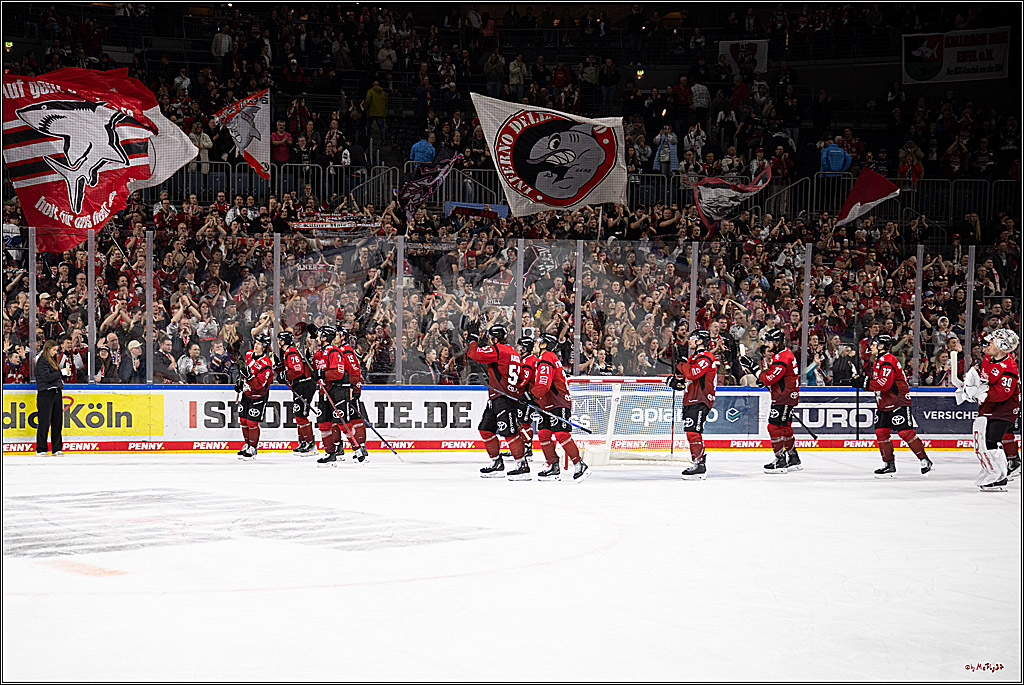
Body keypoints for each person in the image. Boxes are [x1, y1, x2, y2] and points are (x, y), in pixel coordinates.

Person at [852, 334, 933, 477]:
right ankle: (889, 464)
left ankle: (924, 460)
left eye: (874, 344)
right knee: (881, 432)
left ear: (882, 346)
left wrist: (864, 383)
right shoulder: (879, 360)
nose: (871, 346)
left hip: (898, 401)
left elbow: (884, 384)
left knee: (905, 432)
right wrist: (863, 381)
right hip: (884, 402)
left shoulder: (888, 360)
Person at [956, 329, 1020, 491]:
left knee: (991, 440)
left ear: (1001, 345)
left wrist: (980, 393)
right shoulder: (987, 359)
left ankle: (998, 476)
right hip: (988, 408)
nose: (984, 348)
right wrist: (970, 386)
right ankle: (996, 474)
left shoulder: (1009, 367)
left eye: (989, 344)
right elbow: (983, 379)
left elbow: (1003, 393)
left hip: (1004, 410)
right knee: (984, 443)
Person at [468, 323, 528, 478]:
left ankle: (522, 466)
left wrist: (473, 338)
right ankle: (496, 463)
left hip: (504, 398)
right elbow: (520, 376)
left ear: (495, 338)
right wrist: (519, 393)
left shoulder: (498, 350)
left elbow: (474, 354)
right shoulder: (513, 351)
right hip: (498, 397)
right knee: (485, 429)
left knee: (510, 432)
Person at [744, 327, 801, 473]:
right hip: (787, 395)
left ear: (778, 342)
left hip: (783, 397)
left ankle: (780, 460)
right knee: (785, 427)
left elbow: (769, 378)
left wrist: (753, 368)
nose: (767, 344)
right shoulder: (784, 354)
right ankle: (793, 458)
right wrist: (765, 378)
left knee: (774, 427)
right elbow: (774, 377)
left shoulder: (782, 357)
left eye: (770, 341)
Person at [533, 333, 588, 481]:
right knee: (544, 434)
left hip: (558, 403)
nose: (536, 344)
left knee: (561, 434)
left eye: (539, 342)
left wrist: (531, 396)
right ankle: (553, 466)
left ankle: (579, 464)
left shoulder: (547, 358)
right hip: (548, 404)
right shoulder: (546, 359)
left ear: (545, 345)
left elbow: (544, 384)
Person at [667, 329, 718, 480]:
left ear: (701, 340)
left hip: (701, 398)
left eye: (693, 338)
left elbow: (692, 373)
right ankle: (697, 462)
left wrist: (682, 362)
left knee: (694, 432)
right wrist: (676, 382)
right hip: (691, 398)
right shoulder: (695, 357)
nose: (689, 340)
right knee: (691, 431)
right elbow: (686, 378)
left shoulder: (706, 356)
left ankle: (700, 465)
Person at [313, 326, 367, 466]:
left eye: (319, 335)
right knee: (324, 424)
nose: (316, 338)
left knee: (343, 422)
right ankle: (331, 452)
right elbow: (315, 371)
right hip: (324, 391)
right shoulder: (319, 353)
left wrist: (355, 388)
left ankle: (358, 449)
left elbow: (341, 372)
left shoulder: (337, 352)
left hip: (338, 391)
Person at [276, 329, 319, 456]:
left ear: (283, 341)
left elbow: (297, 370)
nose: (278, 342)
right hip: (300, 385)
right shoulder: (289, 352)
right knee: (298, 414)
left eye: (279, 340)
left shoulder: (291, 352)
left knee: (301, 414)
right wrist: (280, 370)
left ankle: (310, 444)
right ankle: (304, 442)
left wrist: (285, 375)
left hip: (304, 385)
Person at [236, 333, 274, 461]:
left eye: (258, 344)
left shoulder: (266, 364)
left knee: (252, 422)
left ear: (264, 347)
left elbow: (258, 385)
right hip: (247, 393)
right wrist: (240, 383)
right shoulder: (249, 355)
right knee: (243, 420)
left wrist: (249, 377)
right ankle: (247, 444)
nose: (255, 345)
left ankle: (253, 447)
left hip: (258, 395)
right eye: (255, 343)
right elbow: (244, 372)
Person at [34, 339, 64, 457]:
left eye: (56, 350)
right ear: (47, 349)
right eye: (54, 350)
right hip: (46, 394)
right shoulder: (42, 361)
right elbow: (47, 377)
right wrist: (61, 372)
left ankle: (56, 448)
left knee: (57, 421)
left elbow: (54, 377)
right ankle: (41, 448)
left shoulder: (53, 361)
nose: (56, 352)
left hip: (56, 392)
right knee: (44, 422)